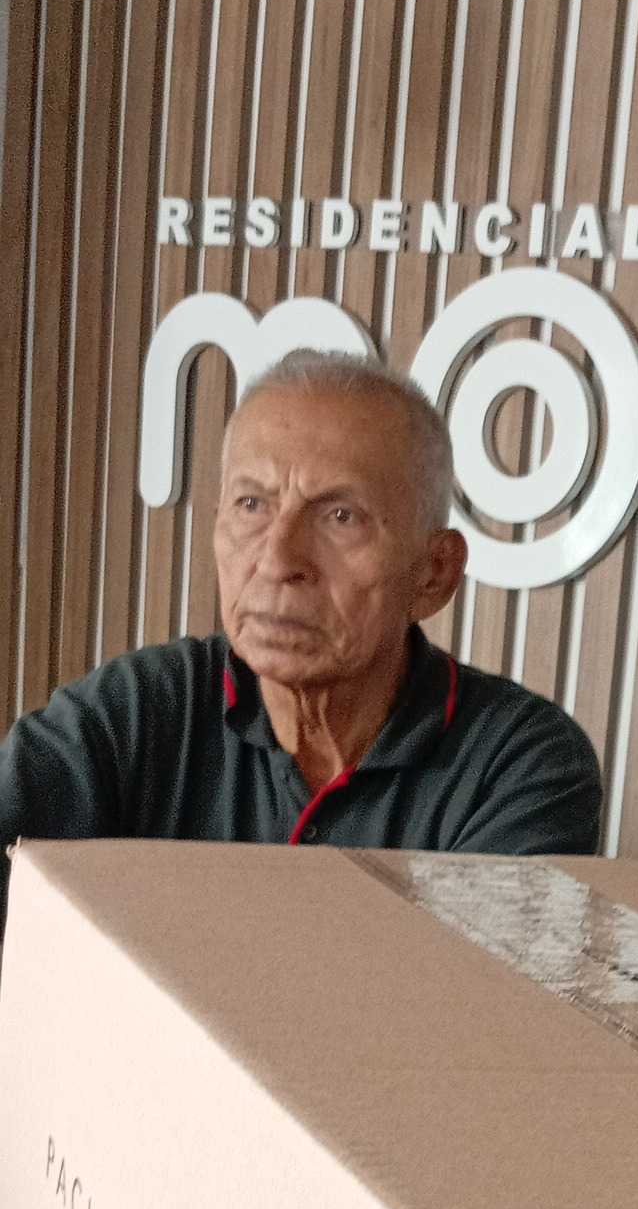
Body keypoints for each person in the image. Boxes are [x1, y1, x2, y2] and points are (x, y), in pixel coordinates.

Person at [0, 350, 602, 935]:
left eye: (341, 516)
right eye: (251, 504)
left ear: (433, 573)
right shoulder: (132, 713)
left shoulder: (518, 762)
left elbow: (461, 994)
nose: (278, 559)